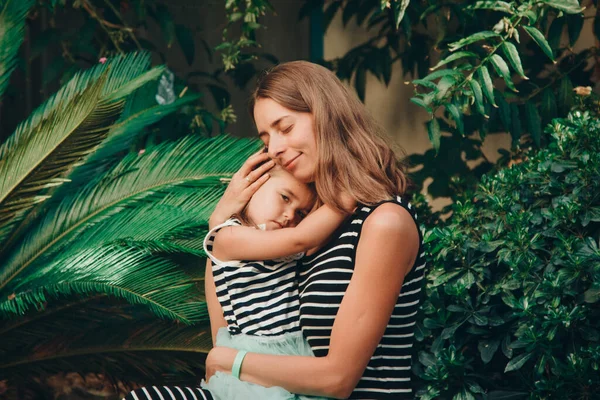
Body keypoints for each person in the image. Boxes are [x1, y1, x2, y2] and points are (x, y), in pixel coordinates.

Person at [124, 60, 424, 400]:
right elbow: (230, 326)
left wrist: (231, 361)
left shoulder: (384, 223)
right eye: (266, 138)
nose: (275, 148)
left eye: (285, 127)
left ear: (325, 115)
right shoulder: (305, 228)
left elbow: (337, 379)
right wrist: (220, 223)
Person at [200, 164, 348, 400]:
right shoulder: (227, 236)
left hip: (294, 356)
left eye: (301, 213)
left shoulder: (280, 244)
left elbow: (312, 237)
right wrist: (347, 197)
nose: (290, 215)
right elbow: (302, 238)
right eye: (284, 197)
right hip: (254, 356)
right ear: (252, 188)